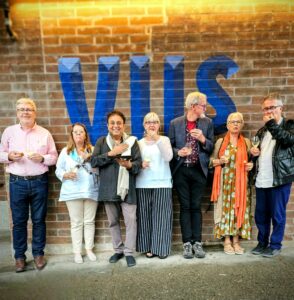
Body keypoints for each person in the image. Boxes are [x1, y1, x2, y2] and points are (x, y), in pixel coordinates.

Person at [0, 98, 58, 272]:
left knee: (39, 220)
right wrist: (9, 156)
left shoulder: (44, 133)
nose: (25, 112)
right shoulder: (9, 132)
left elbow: (54, 156)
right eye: (22, 109)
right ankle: (19, 257)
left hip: (39, 181)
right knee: (19, 222)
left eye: (29, 109)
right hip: (17, 182)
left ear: (35, 112)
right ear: (17, 113)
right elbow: (0, 153)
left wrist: (42, 159)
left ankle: (38, 254)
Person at [91, 110, 142, 267]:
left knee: (131, 221)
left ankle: (129, 252)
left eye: (118, 123)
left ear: (123, 125)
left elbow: (138, 164)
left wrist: (129, 165)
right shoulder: (101, 142)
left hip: (128, 189)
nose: (115, 126)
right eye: (112, 123)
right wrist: (112, 153)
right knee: (113, 222)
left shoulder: (132, 142)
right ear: (108, 125)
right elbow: (94, 162)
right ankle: (118, 250)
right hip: (108, 188)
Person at [168, 91, 214, 259]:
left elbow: (210, 147)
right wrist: (178, 152)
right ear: (193, 106)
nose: (205, 107)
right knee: (185, 207)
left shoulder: (207, 123)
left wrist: (202, 139)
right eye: (203, 104)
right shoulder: (175, 123)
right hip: (181, 171)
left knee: (196, 207)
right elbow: (169, 146)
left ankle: (198, 243)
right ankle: (187, 243)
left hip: (198, 170)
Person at [251, 93, 294, 257]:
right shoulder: (262, 131)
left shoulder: (289, 126)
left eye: (272, 108)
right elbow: (258, 151)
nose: (268, 111)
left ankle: (275, 244)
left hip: (280, 179)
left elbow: (287, 141)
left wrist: (271, 123)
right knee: (261, 214)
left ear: (281, 109)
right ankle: (262, 243)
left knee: (277, 214)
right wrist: (253, 152)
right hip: (262, 178)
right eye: (265, 108)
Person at [55, 123, 99, 264]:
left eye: (81, 132)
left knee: (89, 221)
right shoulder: (66, 152)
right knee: (76, 222)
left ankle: (89, 249)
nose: (79, 134)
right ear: (72, 135)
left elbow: (99, 170)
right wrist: (65, 174)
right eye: (76, 132)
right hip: (72, 191)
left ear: (85, 134)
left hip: (90, 190)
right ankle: (77, 252)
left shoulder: (92, 150)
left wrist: (89, 159)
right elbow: (58, 170)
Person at [210, 112, 253, 255]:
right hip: (225, 183)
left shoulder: (246, 142)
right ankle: (227, 241)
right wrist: (219, 161)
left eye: (238, 122)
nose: (235, 124)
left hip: (241, 185)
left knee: (238, 210)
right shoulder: (220, 142)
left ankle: (236, 241)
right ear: (227, 125)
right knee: (225, 211)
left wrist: (251, 165)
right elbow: (211, 161)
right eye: (232, 121)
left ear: (242, 125)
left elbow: (252, 162)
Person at [136, 112, 173, 259]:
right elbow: (134, 163)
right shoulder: (138, 143)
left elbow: (168, 157)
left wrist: (156, 138)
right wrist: (140, 164)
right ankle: (148, 247)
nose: (152, 124)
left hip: (162, 183)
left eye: (155, 122)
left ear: (159, 125)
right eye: (148, 122)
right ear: (144, 125)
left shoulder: (164, 140)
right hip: (142, 184)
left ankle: (161, 248)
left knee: (162, 217)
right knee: (145, 218)